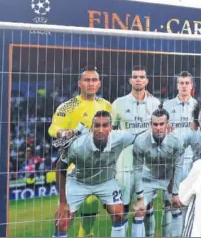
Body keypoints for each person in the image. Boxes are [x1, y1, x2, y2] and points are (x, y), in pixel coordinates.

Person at [49, 65, 112, 237]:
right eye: (86, 80)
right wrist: (63, 132)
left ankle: (86, 234)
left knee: (91, 204)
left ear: (99, 83)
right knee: (65, 216)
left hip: (98, 166)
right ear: (79, 83)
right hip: (73, 167)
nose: (90, 83)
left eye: (94, 80)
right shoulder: (69, 106)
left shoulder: (106, 105)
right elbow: (53, 128)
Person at [61, 111, 143, 237]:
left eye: (105, 125)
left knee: (118, 214)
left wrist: (164, 130)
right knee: (62, 222)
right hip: (79, 182)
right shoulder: (78, 145)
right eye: (97, 125)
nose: (100, 129)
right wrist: (62, 203)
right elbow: (60, 166)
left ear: (111, 127)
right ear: (91, 128)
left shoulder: (120, 138)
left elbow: (139, 137)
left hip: (106, 181)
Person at [111, 65, 161, 233]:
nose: (138, 79)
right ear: (130, 80)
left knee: (146, 207)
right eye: (135, 76)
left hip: (147, 164)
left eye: (141, 76)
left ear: (146, 80)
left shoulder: (155, 103)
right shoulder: (118, 103)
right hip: (124, 164)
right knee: (122, 210)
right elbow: (111, 134)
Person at [131, 105, 185, 237]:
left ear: (167, 124)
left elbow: (178, 167)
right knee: (139, 210)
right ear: (150, 124)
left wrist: (176, 193)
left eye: (162, 124)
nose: (158, 128)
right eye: (155, 124)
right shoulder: (140, 141)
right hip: (149, 176)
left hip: (169, 177)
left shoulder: (177, 140)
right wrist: (140, 196)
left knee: (174, 205)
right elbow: (137, 169)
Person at [162, 70, 197, 236]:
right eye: (181, 83)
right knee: (168, 203)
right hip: (171, 161)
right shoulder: (167, 106)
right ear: (177, 85)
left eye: (187, 83)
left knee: (187, 201)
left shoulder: (198, 107)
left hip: (191, 160)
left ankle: (184, 233)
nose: (184, 86)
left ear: (192, 86)